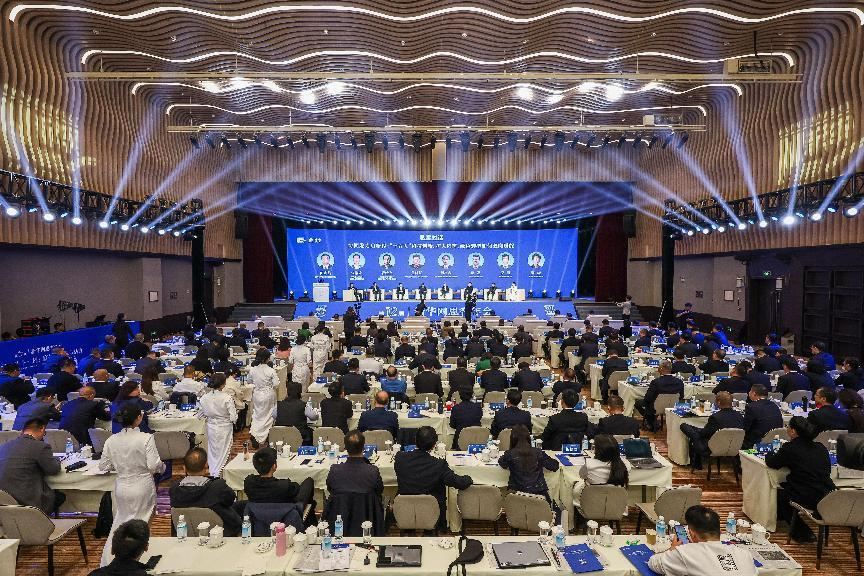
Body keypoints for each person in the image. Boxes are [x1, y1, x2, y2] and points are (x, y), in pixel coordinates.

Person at [98, 403, 165, 566]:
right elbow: (153, 465)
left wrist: (120, 464)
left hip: (121, 486)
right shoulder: (146, 438)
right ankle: (134, 562)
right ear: (139, 418)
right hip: (142, 485)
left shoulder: (111, 440)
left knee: (120, 523)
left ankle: (109, 562)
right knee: (141, 526)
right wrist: (162, 467)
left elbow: (103, 466)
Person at [765, 416, 836, 543]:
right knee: (786, 487)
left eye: (788, 427)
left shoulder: (791, 448)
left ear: (793, 431)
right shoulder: (821, 447)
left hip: (807, 494)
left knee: (780, 495)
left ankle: (803, 533)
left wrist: (769, 453)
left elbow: (772, 463)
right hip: (827, 493)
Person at [394, 426, 473, 527]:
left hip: (405, 508)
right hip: (431, 510)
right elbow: (458, 482)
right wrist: (470, 478)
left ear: (415, 441)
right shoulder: (439, 465)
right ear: (434, 445)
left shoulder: (400, 458)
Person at [647, 505, 757, 576]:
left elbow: (653, 563)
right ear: (720, 532)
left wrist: (672, 549)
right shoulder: (745, 554)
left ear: (692, 535)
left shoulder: (685, 553)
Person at [168, 447, 242, 536]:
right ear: (206, 466)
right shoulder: (217, 487)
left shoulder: (174, 489)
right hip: (221, 532)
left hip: (186, 533)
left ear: (184, 468)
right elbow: (230, 500)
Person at [0, 417, 64, 514]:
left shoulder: (4, 447)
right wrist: (57, 460)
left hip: (4, 504)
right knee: (60, 496)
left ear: (23, 431)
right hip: (30, 504)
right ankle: (43, 521)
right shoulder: (41, 446)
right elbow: (53, 469)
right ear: (42, 429)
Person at [679, 392, 744, 469]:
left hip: (714, 447)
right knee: (695, 431)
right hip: (735, 447)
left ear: (718, 402)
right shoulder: (740, 416)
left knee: (690, 432)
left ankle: (696, 463)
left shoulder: (715, 417)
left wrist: (699, 431)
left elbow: (704, 434)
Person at [499, 424, 560, 501]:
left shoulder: (510, 454)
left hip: (517, 497)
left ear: (512, 439)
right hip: (539, 496)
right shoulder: (538, 452)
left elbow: (502, 463)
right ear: (528, 437)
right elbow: (554, 466)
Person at [245, 447, 315, 507]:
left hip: (257, 514)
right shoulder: (284, 485)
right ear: (274, 466)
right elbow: (296, 489)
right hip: (285, 515)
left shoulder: (248, 482)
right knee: (309, 481)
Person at [198, 373, 238, 476]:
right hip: (225, 427)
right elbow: (233, 417)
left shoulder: (204, 398)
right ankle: (221, 474)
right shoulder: (227, 398)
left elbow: (200, 414)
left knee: (213, 452)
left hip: (211, 427)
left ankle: (213, 472)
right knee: (224, 452)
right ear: (223, 385)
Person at [326, 430, 384, 499]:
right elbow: (379, 491)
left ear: (345, 448)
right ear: (363, 448)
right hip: (366, 505)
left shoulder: (334, 470)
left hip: (341, 506)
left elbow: (330, 490)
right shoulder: (373, 471)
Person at [633, 362, 684, 432]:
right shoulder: (680, 382)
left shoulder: (656, 382)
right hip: (673, 407)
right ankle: (653, 421)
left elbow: (648, 398)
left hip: (655, 407)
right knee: (651, 404)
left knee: (638, 403)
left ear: (661, 369)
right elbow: (681, 396)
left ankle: (651, 421)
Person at [249, 348, 280, 448]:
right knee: (268, 416)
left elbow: (249, 381)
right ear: (267, 358)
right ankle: (264, 436)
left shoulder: (253, 370)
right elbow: (276, 384)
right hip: (268, 395)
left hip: (257, 394)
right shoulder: (271, 370)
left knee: (257, 415)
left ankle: (255, 434)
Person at [275, 381, 319, 445]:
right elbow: (313, 417)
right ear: (300, 392)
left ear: (287, 392)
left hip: (281, 437)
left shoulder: (279, 404)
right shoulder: (303, 405)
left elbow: (274, 415)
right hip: (299, 437)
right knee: (311, 432)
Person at [742, 384, 784, 449]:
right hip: (774, 441)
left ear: (754, 393)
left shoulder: (751, 407)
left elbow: (745, 428)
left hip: (756, 442)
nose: (748, 393)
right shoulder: (774, 405)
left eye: (750, 391)